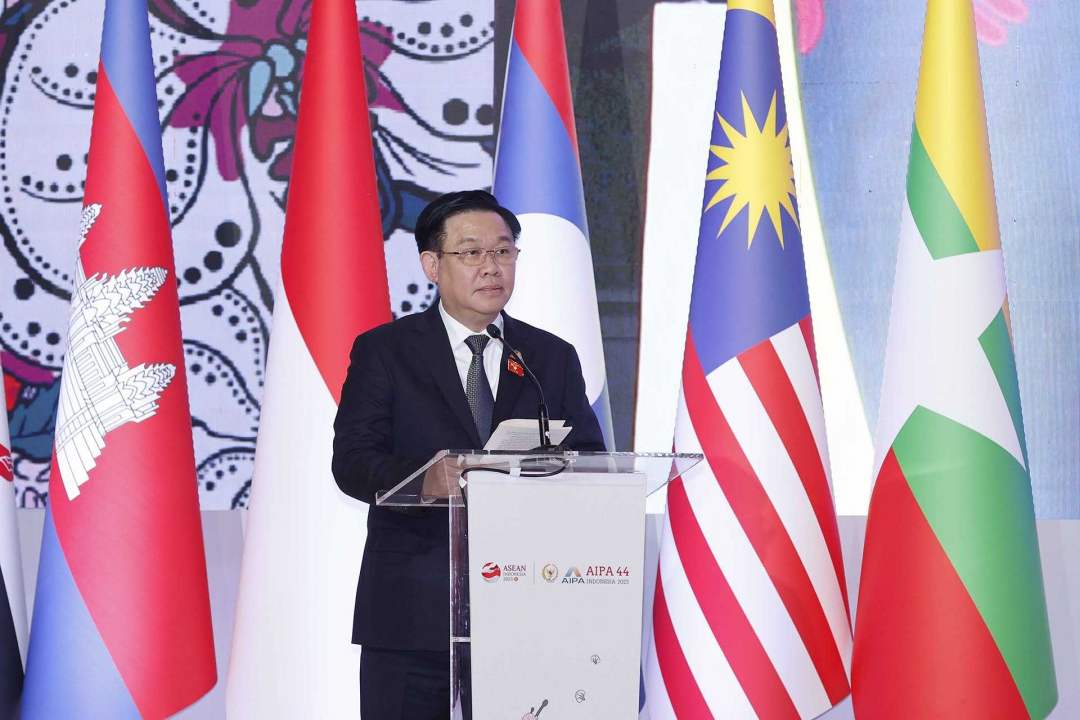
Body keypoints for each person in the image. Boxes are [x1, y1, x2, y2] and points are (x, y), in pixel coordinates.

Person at [332, 190, 606, 719]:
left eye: (504, 253)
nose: (491, 268)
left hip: (526, 604)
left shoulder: (550, 355)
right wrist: (425, 480)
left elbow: (590, 459)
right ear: (432, 265)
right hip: (413, 607)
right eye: (472, 252)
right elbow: (353, 461)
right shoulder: (385, 351)